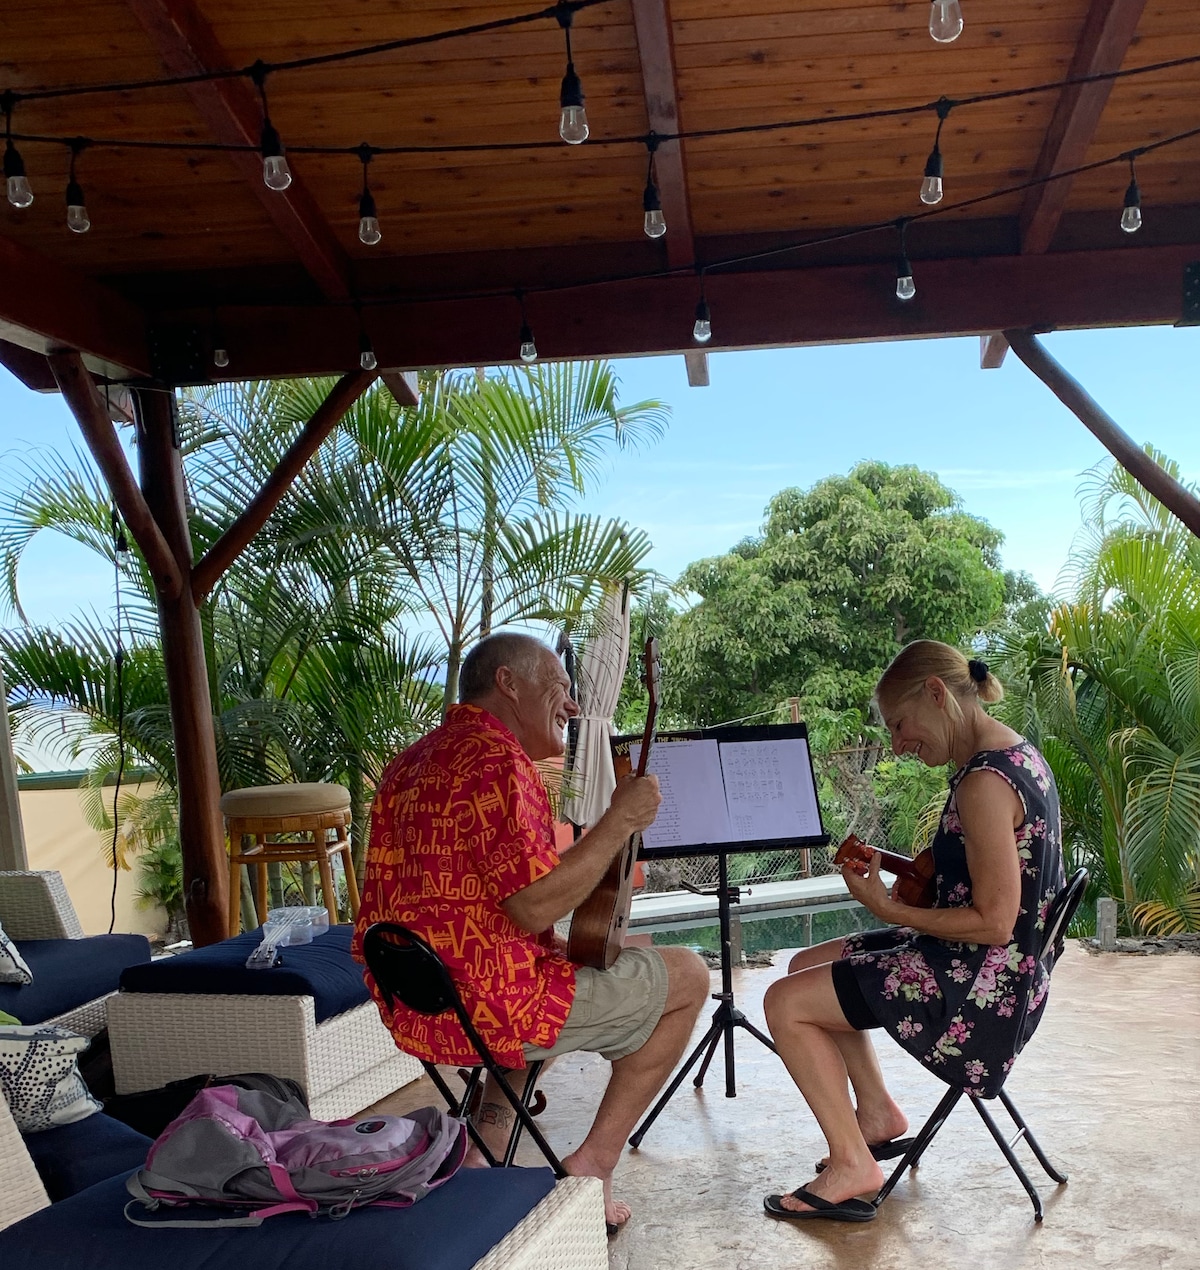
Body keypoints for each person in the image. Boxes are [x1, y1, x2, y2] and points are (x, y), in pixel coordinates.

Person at [352, 631, 709, 1232]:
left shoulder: (411, 762)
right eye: (559, 687)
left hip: (421, 1000)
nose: (572, 704)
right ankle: (594, 1165)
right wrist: (618, 821)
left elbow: (479, 897)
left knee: (553, 967)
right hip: (491, 1007)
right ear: (508, 684)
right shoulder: (499, 762)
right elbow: (534, 906)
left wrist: (551, 939)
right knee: (689, 976)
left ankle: (480, 1150)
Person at [761, 639, 1065, 1223]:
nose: (898, 745)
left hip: (978, 993)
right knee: (805, 967)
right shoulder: (1013, 755)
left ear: (936, 693)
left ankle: (852, 1164)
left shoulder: (983, 783)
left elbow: (995, 922)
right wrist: (916, 887)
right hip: (998, 974)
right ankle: (876, 1115)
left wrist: (891, 910)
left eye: (900, 725)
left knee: (784, 1002)